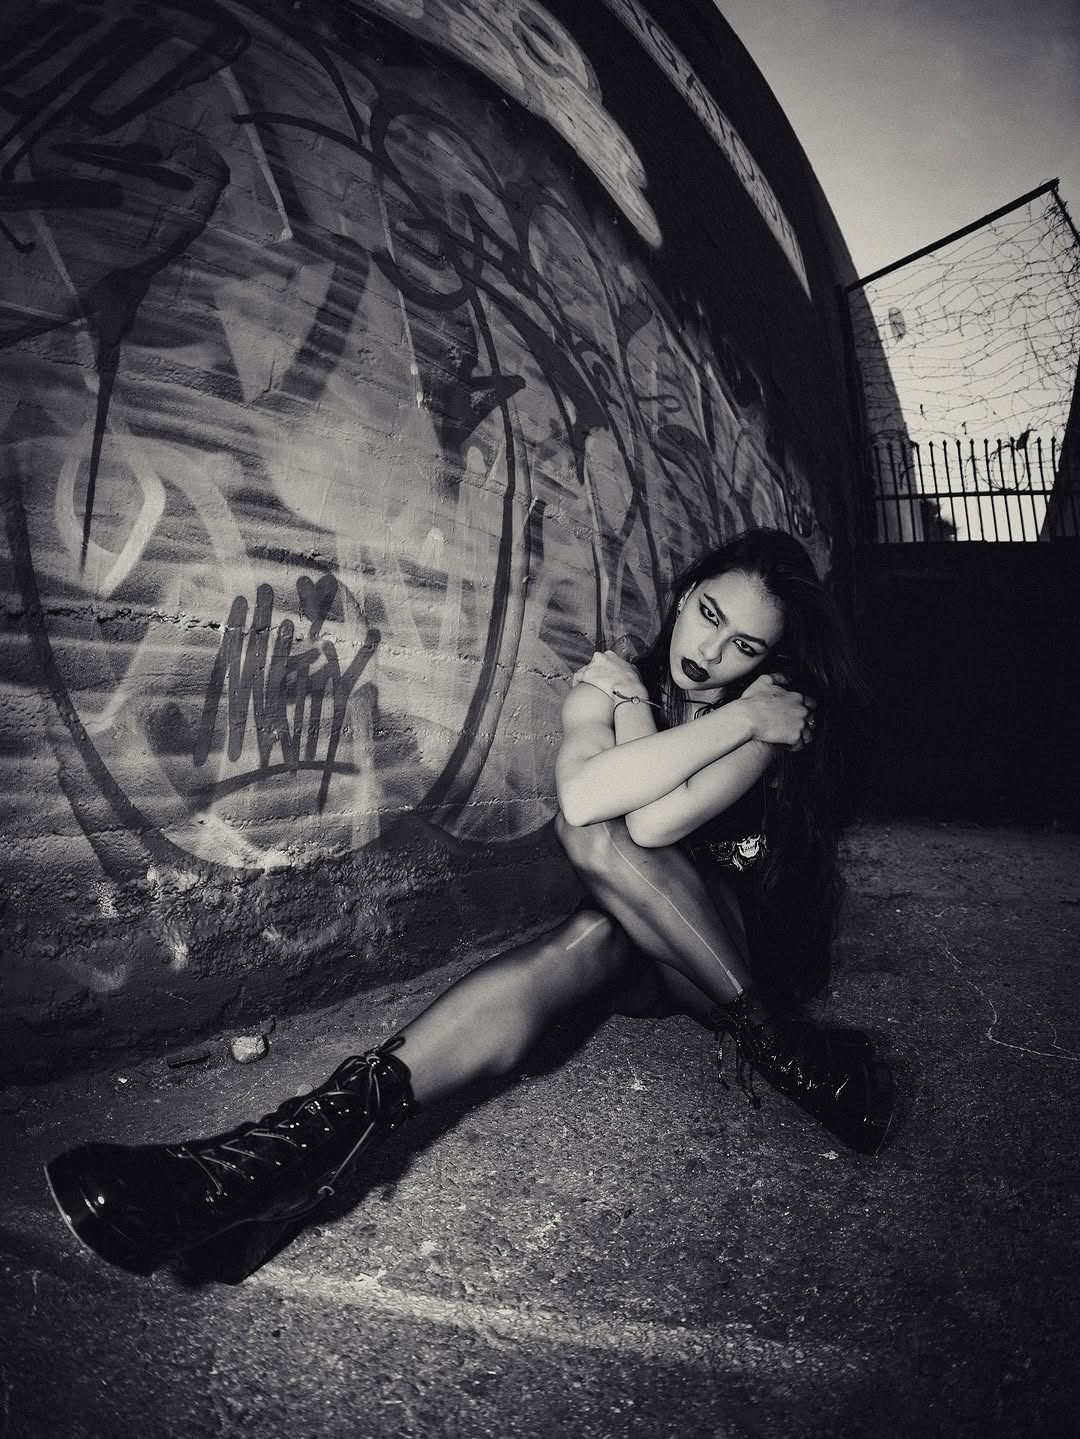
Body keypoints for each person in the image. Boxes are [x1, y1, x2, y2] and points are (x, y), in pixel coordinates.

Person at [45, 527, 893, 1281]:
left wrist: (738, 722)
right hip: (640, 948)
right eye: (708, 614)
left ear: (768, 659)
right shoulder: (615, 683)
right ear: (686, 593)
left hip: (735, 949)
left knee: (604, 855)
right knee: (595, 919)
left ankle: (776, 1034)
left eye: (745, 643)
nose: (710, 650)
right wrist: (649, 704)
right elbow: (594, 806)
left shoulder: (770, 711)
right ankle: (271, 1168)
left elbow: (656, 821)